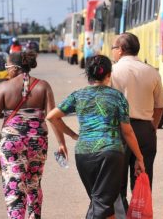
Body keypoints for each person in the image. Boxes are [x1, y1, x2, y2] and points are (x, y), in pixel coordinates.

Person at [0, 50, 68, 219]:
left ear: (15, 68)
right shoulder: (43, 86)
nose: (7, 70)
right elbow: (53, 117)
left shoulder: (4, 87)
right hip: (38, 143)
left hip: (11, 144)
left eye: (7, 66)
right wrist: (61, 143)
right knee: (33, 184)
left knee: (14, 186)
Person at [46, 55, 145, 219]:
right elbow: (127, 131)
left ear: (88, 74)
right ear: (109, 74)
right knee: (102, 203)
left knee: (101, 202)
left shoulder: (78, 95)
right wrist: (139, 158)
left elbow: (51, 116)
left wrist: (73, 135)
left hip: (83, 154)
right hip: (111, 153)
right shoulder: (117, 96)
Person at [110, 32, 163, 211]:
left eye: (113, 47)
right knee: (143, 181)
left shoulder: (112, 72)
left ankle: (121, 214)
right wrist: (152, 127)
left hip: (119, 131)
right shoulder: (151, 71)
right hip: (145, 131)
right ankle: (140, 213)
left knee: (116, 185)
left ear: (120, 50)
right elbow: (160, 105)